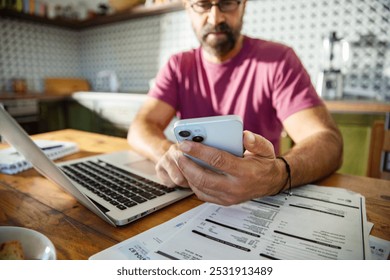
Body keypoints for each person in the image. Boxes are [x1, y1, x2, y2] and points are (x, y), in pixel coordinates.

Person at [127, 0, 343, 206]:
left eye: (227, 2)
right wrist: (169, 154)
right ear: (187, 7)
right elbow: (140, 127)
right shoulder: (178, 66)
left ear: (243, 5)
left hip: (261, 200)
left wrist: (276, 175)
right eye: (202, 4)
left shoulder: (278, 60)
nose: (215, 17)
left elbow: (328, 141)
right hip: (190, 198)